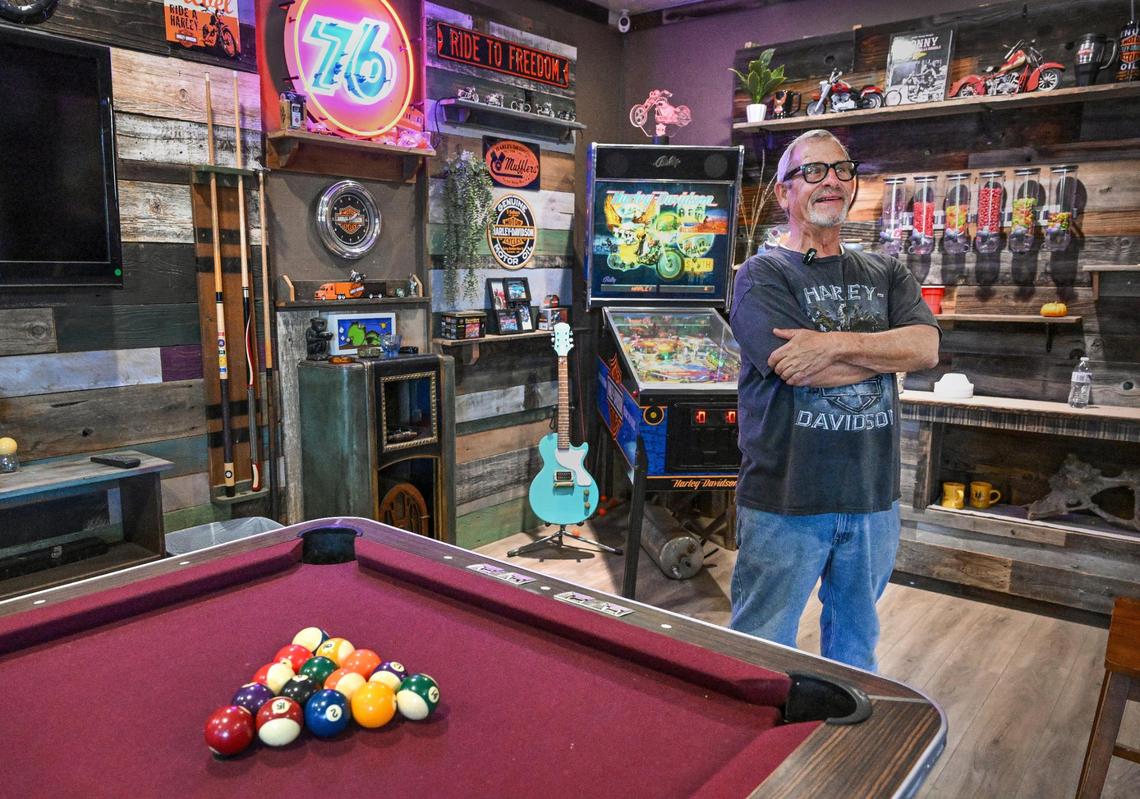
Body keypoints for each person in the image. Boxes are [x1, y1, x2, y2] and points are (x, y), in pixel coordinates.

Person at [728, 129, 940, 671]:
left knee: (854, 646)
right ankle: (755, 751)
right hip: (786, 498)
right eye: (813, 172)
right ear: (783, 193)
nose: (831, 183)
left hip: (872, 497)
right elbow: (797, 371)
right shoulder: (760, 276)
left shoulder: (886, 270)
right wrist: (881, 351)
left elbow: (925, 347)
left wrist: (832, 344)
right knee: (760, 648)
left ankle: (843, 743)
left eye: (842, 170)